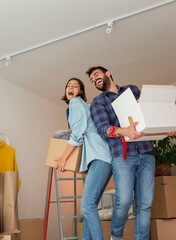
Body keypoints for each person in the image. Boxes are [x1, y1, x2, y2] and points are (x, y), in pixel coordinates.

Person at [86, 66, 176, 240]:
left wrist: (166, 128)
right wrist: (125, 131)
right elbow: (103, 128)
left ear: (108, 73)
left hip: (146, 153)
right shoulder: (99, 102)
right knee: (124, 201)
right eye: (91, 80)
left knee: (144, 204)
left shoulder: (132, 89)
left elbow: (148, 114)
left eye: (96, 75)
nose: (94, 80)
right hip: (122, 156)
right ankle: (117, 236)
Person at [55, 77, 113, 240]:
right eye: (68, 85)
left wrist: (63, 158)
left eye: (75, 86)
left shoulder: (76, 104)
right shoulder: (84, 107)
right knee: (91, 206)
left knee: (87, 206)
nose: (71, 87)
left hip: (99, 159)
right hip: (104, 159)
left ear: (80, 91)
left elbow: (78, 135)